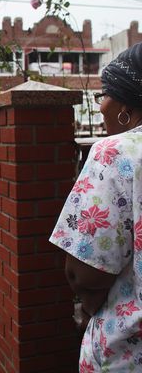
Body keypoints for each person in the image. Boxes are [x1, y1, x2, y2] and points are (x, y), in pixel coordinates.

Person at [49, 42, 142, 371]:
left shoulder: (116, 153)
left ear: (125, 108)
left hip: (126, 355)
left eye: (104, 93)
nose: (100, 105)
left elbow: (83, 273)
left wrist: (89, 308)